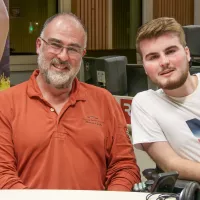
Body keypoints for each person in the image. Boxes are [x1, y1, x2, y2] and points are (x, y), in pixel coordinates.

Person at [0, 12, 140, 190]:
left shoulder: (104, 100)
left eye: (73, 49)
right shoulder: (5, 103)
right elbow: (3, 174)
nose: (63, 56)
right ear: (38, 45)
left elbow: (125, 167)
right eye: (55, 45)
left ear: (82, 54)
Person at [131, 17, 200, 182]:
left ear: (187, 53)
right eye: (153, 57)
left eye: (170, 51)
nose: (164, 62)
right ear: (145, 68)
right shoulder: (146, 104)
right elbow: (170, 163)